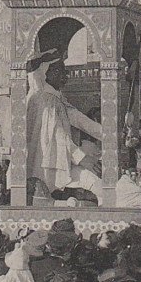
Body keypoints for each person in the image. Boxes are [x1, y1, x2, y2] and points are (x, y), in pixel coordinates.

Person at [25, 48, 105, 204]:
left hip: (59, 162)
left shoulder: (56, 98)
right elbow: (59, 136)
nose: (65, 75)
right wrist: (82, 158)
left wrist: (110, 134)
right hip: (45, 166)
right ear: (48, 73)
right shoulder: (45, 100)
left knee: (97, 184)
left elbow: (80, 120)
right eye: (61, 71)